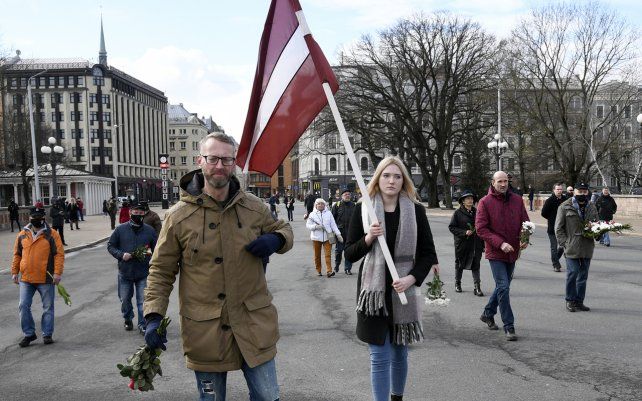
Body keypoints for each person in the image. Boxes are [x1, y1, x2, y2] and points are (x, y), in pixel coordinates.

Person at [143, 132, 293, 401]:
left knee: (269, 397)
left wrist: (276, 238)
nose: (220, 166)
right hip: (206, 330)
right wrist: (153, 316)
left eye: (226, 159)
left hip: (253, 324)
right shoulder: (178, 216)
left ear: (234, 163)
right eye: (213, 159)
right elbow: (161, 270)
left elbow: (284, 229)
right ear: (200, 160)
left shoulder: (254, 207)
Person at [344, 156, 439, 401]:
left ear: (404, 180)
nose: (392, 181)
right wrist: (368, 238)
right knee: (379, 355)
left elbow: (428, 254)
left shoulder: (415, 210)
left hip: (403, 292)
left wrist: (412, 279)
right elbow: (350, 253)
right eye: (386, 175)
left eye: (397, 176)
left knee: (400, 353)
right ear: (378, 178)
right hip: (373, 295)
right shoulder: (363, 208)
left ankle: (397, 397)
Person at [476, 171, 529, 341]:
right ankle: (509, 325)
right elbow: (481, 229)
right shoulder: (485, 202)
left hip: (513, 252)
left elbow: (525, 223)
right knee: (504, 287)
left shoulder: (517, 200)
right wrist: (500, 243)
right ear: (493, 182)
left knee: (502, 287)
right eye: (500, 181)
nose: (503, 184)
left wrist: (525, 238)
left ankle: (487, 313)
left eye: (505, 181)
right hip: (496, 252)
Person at [11, 203, 65, 347]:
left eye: (40, 216)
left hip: (46, 278)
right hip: (26, 278)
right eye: (34, 216)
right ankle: (29, 334)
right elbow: (17, 254)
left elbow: (59, 255)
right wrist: (14, 272)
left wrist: (57, 273)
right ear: (30, 217)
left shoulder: (52, 234)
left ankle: (47, 334)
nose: (37, 219)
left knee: (48, 307)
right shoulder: (22, 234)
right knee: (23, 306)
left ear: (43, 217)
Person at [108, 203, 157, 334]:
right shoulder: (120, 229)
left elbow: (157, 249)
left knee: (143, 301)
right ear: (130, 212)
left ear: (144, 214)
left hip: (143, 272)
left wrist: (149, 255)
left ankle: (142, 324)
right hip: (125, 272)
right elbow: (111, 246)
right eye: (136, 212)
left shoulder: (149, 231)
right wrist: (121, 255)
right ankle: (128, 318)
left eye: (141, 213)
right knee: (125, 299)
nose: (138, 215)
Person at [555, 182, 599, 312]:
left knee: (583, 275)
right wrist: (565, 244)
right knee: (573, 273)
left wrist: (598, 233)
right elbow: (558, 228)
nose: (582, 194)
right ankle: (570, 300)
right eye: (580, 191)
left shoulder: (591, 206)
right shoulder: (565, 206)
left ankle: (579, 301)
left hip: (587, 246)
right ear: (574, 191)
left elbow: (597, 223)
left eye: (585, 192)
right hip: (571, 246)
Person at [448, 191, 484, 296]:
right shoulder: (458, 213)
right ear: (463, 201)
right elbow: (452, 227)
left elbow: (482, 227)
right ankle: (457, 283)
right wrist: (464, 232)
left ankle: (477, 287)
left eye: (471, 198)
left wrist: (483, 244)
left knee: (476, 264)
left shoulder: (477, 212)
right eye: (468, 198)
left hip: (475, 243)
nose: (470, 200)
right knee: (460, 263)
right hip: (462, 243)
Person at [306, 198, 342, 278]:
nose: (320, 205)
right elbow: (308, 225)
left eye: (322, 204)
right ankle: (318, 270)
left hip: (328, 237)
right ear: (316, 205)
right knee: (317, 255)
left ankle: (329, 271)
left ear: (324, 205)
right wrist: (315, 226)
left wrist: (338, 234)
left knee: (328, 255)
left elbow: (333, 225)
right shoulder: (312, 214)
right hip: (316, 238)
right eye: (319, 204)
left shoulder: (329, 213)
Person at [541, 183, 566, 272]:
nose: (559, 191)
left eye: (560, 189)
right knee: (554, 246)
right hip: (552, 228)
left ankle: (555, 259)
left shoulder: (565, 199)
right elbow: (543, 213)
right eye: (557, 189)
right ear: (554, 190)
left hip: (563, 228)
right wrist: (552, 219)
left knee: (563, 246)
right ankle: (556, 265)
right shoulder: (550, 200)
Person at [331, 189, 356, 274]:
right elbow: (332, 220)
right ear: (342, 196)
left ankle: (348, 269)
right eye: (345, 194)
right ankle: (336, 266)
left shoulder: (354, 205)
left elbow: (358, 219)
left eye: (348, 194)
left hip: (350, 233)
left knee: (349, 252)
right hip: (340, 233)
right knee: (339, 251)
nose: (347, 195)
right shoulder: (337, 205)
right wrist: (333, 232)